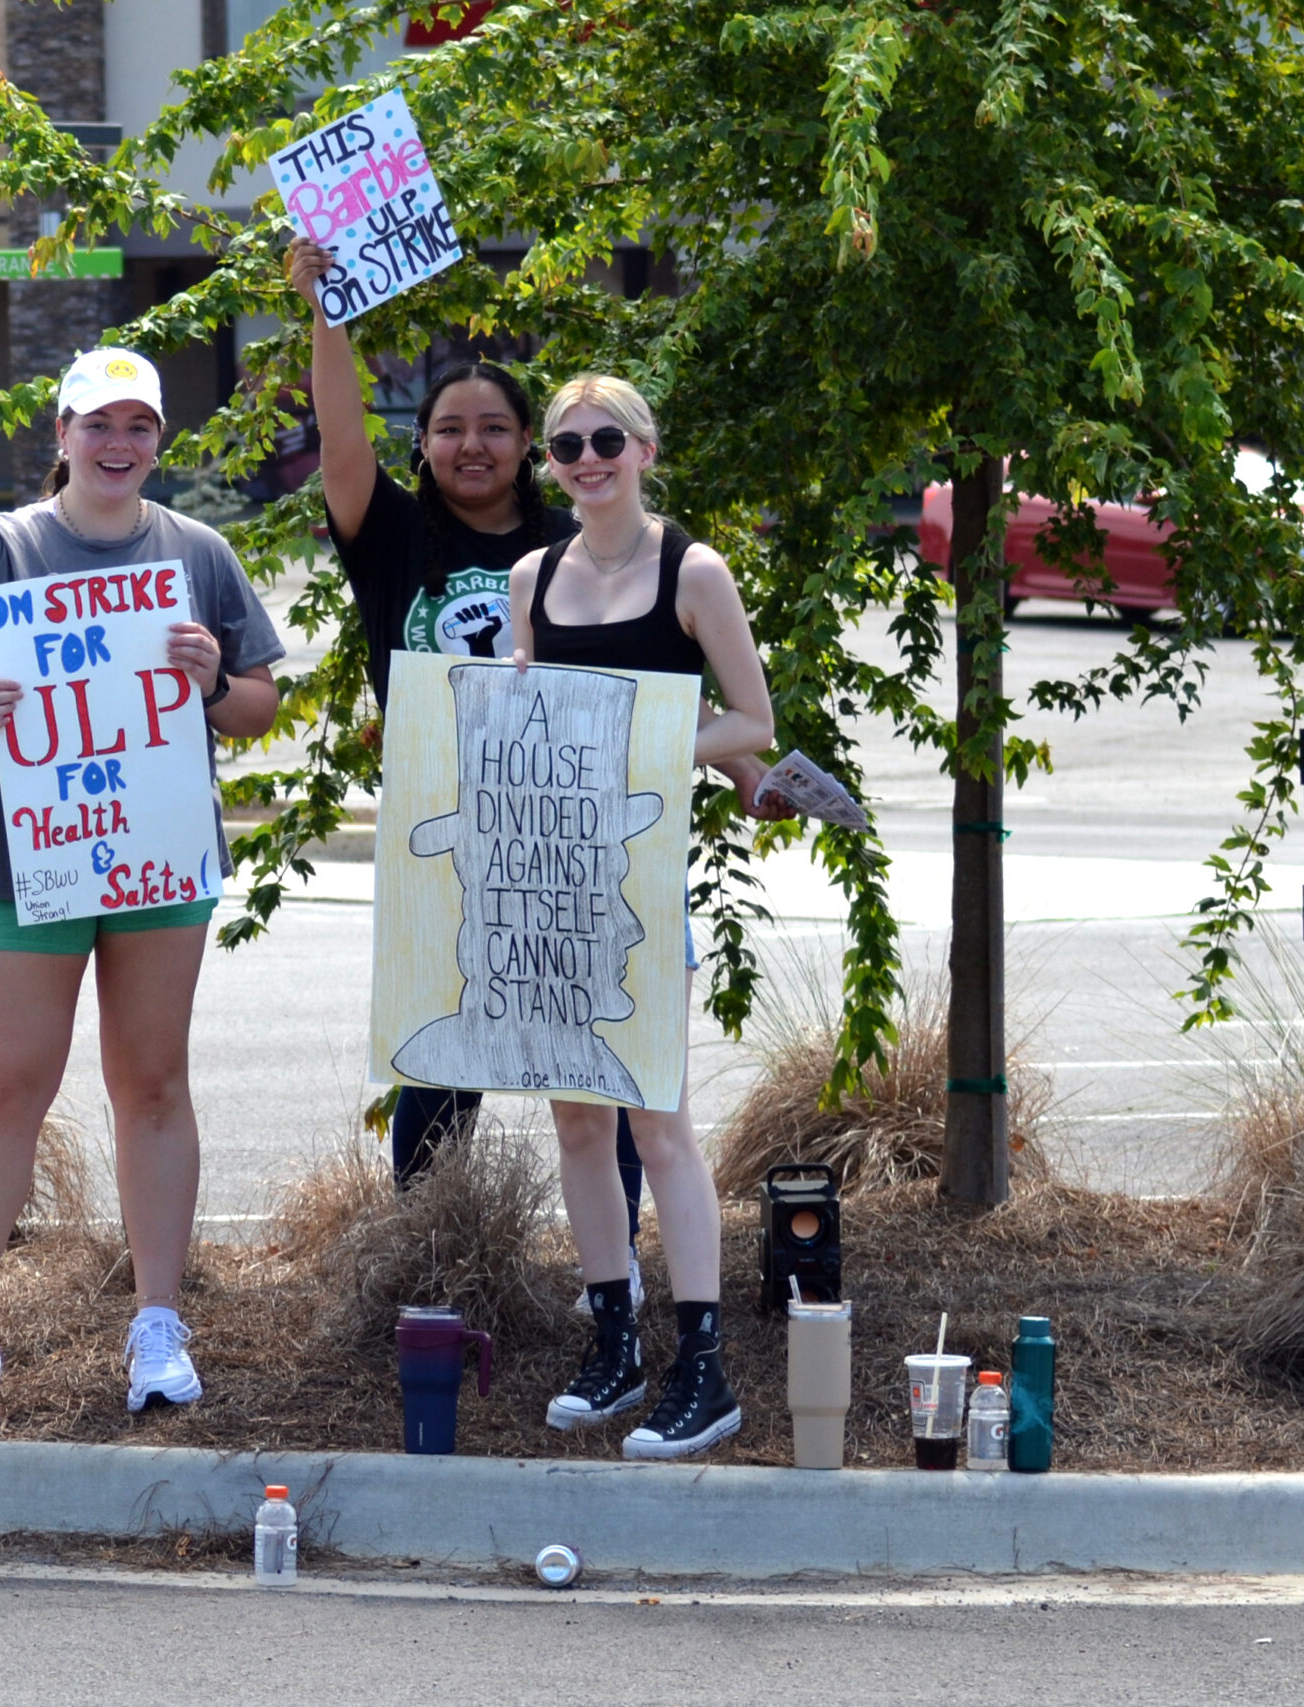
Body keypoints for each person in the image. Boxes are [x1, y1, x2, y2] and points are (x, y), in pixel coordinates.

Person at [0, 349, 285, 1431]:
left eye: (139, 428)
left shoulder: (197, 553)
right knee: (10, 1084)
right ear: (61, 433)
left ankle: (158, 1323)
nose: (119, 446)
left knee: (152, 1081)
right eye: (98, 425)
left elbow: (256, 705)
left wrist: (215, 677)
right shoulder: (3, 551)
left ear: (158, 440)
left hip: (155, 845)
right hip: (32, 849)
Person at [286, 237, 656, 1219]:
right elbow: (338, 436)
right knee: (444, 1054)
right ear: (422, 445)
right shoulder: (390, 533)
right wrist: (328, 311)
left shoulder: (573, 547)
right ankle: (429, 1252)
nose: (471, 445)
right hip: (439, 827)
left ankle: (604, 1271)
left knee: (590, 1052)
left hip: (565, 832)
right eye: (450, 428)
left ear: (529, 447)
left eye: (495, 428)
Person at [508, 374, 774, 1460]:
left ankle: (701, 1367)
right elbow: (520, 714)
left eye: (605, 437)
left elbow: (750, 719)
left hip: (643, 878)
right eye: (567, 443)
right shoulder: (534, 573)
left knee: (656, 1120)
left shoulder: (692, 570)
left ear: (646, 448)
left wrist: (644, 739)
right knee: (578, 1122)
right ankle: (613, 1341)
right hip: (554, 876)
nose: (586, 457)